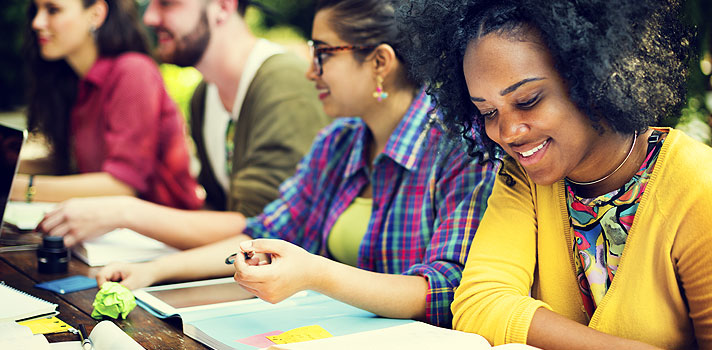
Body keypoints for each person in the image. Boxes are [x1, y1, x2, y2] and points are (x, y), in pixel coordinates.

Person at [96, 0, 497, 327]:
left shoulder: (459, 148)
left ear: (380, 63)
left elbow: (448, 290)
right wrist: (152, 271)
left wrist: (316, 274)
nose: (309, 72)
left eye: (323, 54)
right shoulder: (338, 143)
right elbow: (263, 231)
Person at [398, 0, 712, 348]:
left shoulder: (698, 186)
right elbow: (479, 304)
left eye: (528, 100)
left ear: (596, 78)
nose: (507, 132)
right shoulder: (524, 179)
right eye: (487, 112)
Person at [36, 0, 329, 248]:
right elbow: (220, 211)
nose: (149, 17)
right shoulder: (205, 95)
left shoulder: (283, 83)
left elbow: (267, 232)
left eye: (168, 2)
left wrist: (125, 212)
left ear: (223, 6)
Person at [15, 0, 203, 210]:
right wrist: (10, 166)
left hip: (166, 233)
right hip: (109, 231)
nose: (37, 22)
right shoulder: (75, 82)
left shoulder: (133, 71)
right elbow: (65, 162)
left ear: (96, 14)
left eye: (53, 10)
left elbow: (122, 184)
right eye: (36, 11)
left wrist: (21, 188)